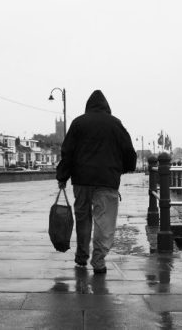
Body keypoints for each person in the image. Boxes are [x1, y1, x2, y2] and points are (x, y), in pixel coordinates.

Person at [56, 90, 137, 274]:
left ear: (88, 106)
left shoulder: (78, 123)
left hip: (82, 180)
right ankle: (98, 260)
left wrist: (62, 176)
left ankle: (82, 256)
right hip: (107, 181)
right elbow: (129, 152)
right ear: (106, 107)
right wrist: (122, 169)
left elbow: (67, 152)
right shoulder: (115, 124)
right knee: (104, 222)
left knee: (83, 219)